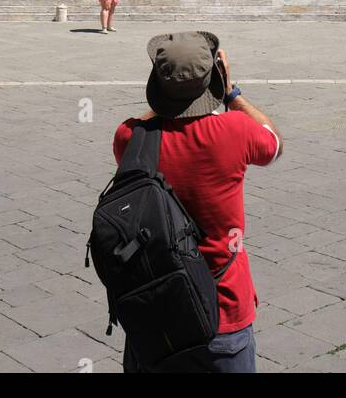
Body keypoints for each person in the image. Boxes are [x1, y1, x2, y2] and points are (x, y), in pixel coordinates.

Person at [113, 31, 283, 374]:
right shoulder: (237, 130)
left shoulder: (131, 138)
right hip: (224, 307)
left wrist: (167, 94)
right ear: (214, 78)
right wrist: (231, 91)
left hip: (157, 313)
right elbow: (273, 142)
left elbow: (147, 121)